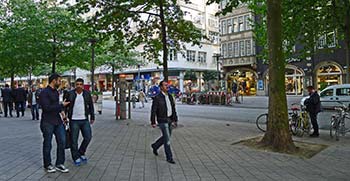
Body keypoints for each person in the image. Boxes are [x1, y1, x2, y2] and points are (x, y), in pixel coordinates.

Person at [39, 73, 70, 173]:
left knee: (62, 141)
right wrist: (61, 105)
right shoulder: (44, 92)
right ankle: (47, 164)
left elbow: (57, 106)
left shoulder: (56, 92)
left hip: (58, 121)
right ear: (54, 80)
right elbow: (46, 108)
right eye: (59, 80)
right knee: (47, 143)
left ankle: (59, 163)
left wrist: (63, 115)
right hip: (47, 121)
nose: (60, 82)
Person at [65, 78, 95, 166]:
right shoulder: (70, 94)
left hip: (84, 119)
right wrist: (65, 116)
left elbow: (91, 106)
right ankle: (75, 157)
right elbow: (65, 105)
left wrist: (92, 116)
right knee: (74, 140)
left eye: (80, 84)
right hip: (74, 120)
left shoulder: (86, 94)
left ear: (83, 85)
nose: (79, 86)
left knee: (88, 137)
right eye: (77, 84)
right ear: (75, 85)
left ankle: (81, 152)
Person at [150, 81, 178, 164]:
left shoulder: (169, 96)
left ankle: (155, 146)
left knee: (167, 137)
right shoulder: (157, 97)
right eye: (165, 85)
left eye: (168, 85)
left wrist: (175, 119)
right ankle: (169, 157)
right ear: (161, 87)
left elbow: (173, 109)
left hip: (169, 119)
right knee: (167, 139)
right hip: (162, 120)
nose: (167, 87)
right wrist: (153, 121)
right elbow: (153, 111)